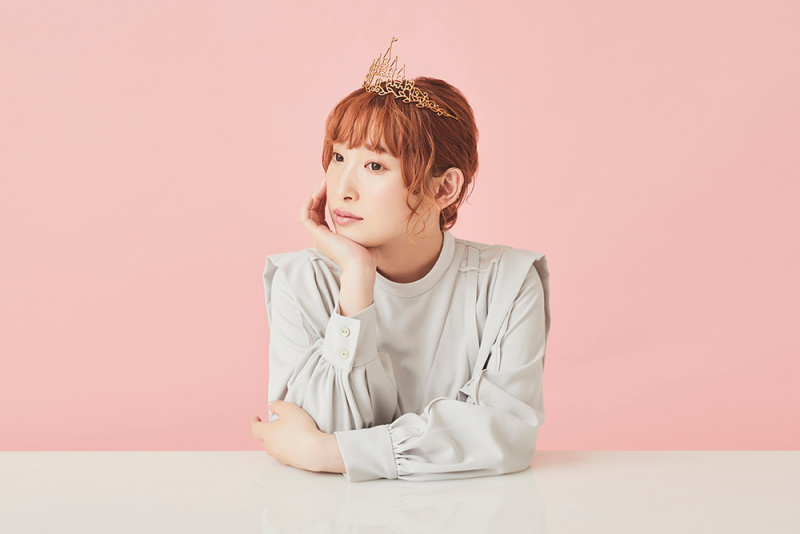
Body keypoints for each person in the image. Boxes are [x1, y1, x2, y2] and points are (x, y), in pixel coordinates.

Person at [250, 38, 551, 482]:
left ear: (444, 188)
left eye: (375, 166)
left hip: (472, 511)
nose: (342, 188)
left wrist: (328, 452)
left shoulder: (508, 282)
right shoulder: (301, 280)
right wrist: (356, 280)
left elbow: (505, 436)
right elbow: (315, 427)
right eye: (338, 157)